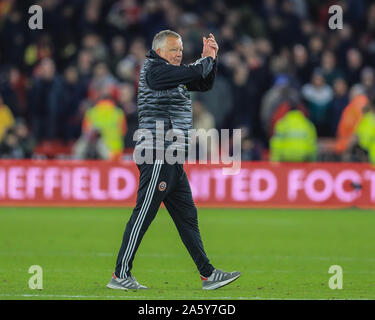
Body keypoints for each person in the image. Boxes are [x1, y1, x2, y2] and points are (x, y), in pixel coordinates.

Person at [107, 30, 240, 291]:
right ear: (158, 52)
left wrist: (210, 59)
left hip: (172, 156)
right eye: (173, 49)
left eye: (180, 49)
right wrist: (205, 60)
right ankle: (120, 274)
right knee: (144, 213)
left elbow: (203, 83)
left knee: (187, 217)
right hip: (157, 151)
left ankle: (208, 274)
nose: (179, 53)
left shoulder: (171, 74)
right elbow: (193, 73)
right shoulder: (155, 71)